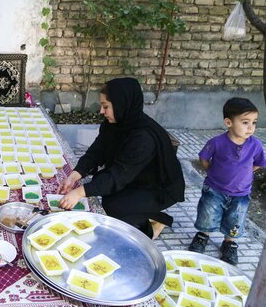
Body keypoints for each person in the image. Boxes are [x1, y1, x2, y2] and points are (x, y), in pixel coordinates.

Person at [58, 77, 185, 239]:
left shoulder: (143, 137)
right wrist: (75, 174)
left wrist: (80, 192)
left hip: (156, 187)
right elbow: (97, 151)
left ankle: (155, 222)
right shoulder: (114, 123)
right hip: (134, 176)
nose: (101, 112)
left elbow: (119, 175)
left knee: (114, 206)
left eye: (105, 107)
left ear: (121, 104)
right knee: (105, 189)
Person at [188, 98, 266, 265]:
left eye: (254, 122)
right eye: (245, 122)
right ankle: (203, 235)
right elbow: (204, 158)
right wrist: (212, 171)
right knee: (207, 214)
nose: (251, 127)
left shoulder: (256, 145)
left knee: (235, 219)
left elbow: (259, 163)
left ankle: (229, 243)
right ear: (228, 122)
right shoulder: (217, 142)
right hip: (214, 189)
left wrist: (244, 172)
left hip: (241, 193)